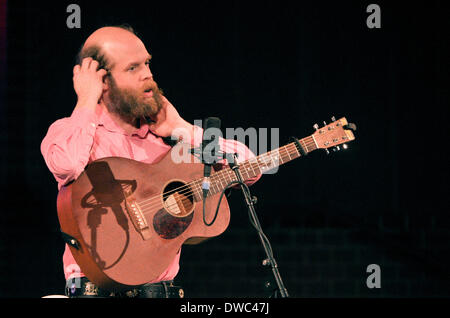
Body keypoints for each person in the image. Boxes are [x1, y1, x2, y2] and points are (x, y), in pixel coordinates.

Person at [41, 24, 260, 298]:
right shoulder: (74, 132)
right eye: (133, 68)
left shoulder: (162, 146)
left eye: (147, 63)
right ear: (103, 81)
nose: (148, 75)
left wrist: (182, 128)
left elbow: (249, 168)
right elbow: (67, 164)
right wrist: (86, 100)